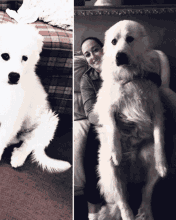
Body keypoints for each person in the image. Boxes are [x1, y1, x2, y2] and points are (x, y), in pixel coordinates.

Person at [74, 37, 104, 220]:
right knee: (92, 159)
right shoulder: (87, 79)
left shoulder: (125, 66)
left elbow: (153, 78)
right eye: (87, 54)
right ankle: (93, 215)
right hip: (104, 123)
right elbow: (92, 114)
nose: (93, 56)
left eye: (95, 50)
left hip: (132, 119)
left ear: (105, 49)